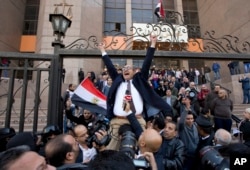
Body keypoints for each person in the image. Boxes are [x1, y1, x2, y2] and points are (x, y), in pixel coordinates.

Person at [98, 34, 172, 150]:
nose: (125, 69)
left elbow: (147, 62)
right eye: (123, 69)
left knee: (141, 149)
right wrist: (102, 50)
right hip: (118, 121)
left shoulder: (139, 80)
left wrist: (152, 44)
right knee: (111, 151)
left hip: (138, 120)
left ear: (135, 71)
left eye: (128, 68)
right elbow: (110, 66)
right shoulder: (118, 80)